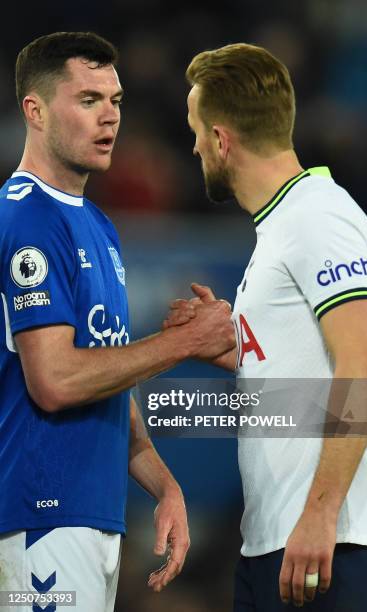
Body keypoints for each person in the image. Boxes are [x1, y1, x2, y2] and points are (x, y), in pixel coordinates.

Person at [0, 32, 235, 612]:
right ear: (34, 110)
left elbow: (107, 383)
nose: (110, 117)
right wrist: (181, 344)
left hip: (93, 517)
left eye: (117, 101)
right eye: (87, 100)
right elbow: (55, 382)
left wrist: (164, 484)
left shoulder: (100, 227)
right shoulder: (28, 218)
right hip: (44, 517)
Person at [164, 43, 367, 610]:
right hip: (278, 541)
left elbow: (363, 364)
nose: (192, 147)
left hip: (335, 543)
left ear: (221, 139)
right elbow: (307, 362)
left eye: (195, 130)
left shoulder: (321, 217)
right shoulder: (284, 225)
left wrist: (319, 515)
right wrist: (233, 349)